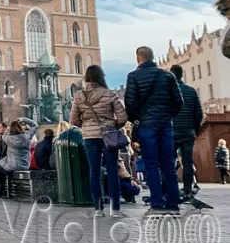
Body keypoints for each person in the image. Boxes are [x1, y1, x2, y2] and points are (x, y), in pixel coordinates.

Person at [124, 46, 183, 215]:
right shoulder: (168, 75)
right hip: (165, 125)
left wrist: (136, 119)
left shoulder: (133, 76)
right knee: (168, 165)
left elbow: (130, 102)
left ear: (138, 58)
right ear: (152, 57)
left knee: (151, 165)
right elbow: (179, 101)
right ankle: (173, 202)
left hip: (146, 126)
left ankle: (157, 202)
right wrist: (168, 115)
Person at [70, 65, 129, 218]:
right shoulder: (109, 94)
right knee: (112, 171)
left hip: (90, 137)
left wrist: (87, 126)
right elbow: (122, 117)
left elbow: (73, 120)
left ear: (87, 77)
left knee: (94, 172)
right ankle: (115, 210)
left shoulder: (79, 96)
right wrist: (113, 125)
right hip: (108, 136)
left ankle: (98, 209)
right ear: (101, 77)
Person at [168, 65, 203, 201]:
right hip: (188, 132)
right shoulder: (191, 91)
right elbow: (198, 113)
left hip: (171, 132)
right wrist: (194, 129)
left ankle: (171, 189)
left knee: (169, 161)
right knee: (188, 162)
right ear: (182, 75)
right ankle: (187, 189)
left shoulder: (168, 93)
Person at [0, 118, 39, 198]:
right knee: (0, 168)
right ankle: (2, 190)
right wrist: (23, 119)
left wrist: (9, 127)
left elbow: (4, 133)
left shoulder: (8, 138)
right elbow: (35, 125)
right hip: (24, 164)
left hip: (12, 165)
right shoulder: (27, 135)